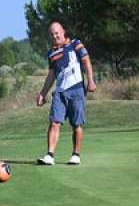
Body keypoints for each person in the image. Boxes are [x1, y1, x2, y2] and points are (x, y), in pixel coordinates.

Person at [36, 21, 96, 165]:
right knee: (54, 122)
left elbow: (86, 61)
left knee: (77, 124)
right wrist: (42, 93)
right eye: (51, 34)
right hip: (60, 92)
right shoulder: (51, 53)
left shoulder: (76, 44)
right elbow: (51, 75)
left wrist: (91, 81)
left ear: (63, 31)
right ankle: (50, 155)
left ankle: (76, 155)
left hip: (77, 90)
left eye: (57, 33)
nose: (54, 36)